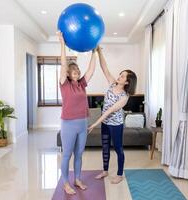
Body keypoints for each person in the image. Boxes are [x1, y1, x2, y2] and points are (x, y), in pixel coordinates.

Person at [88, 46, 137, 184]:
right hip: (105, 124)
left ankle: (120, 174)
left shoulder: (124, 97)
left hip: (116, 126)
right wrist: (99, 51)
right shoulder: (112, 84)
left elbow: (109, 111)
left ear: (127, 82)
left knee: (118, 148)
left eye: (122, 76)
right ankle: (105, 171)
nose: (119, 76)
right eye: (120, 74)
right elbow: (105, 68)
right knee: (105, 147)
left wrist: (95, 124)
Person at [57, 31, 96, 194]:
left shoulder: (81, 84)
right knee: (67, 155)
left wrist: (94, 51)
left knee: (79, 154)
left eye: (78, 72)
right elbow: (64, 64)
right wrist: (62, 43)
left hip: (82, 123)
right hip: (69, 124)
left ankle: (77, 179)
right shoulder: (64, 84)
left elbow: (91, 71)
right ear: (68, 73)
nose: (78, 74)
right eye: (74, 72)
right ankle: (66, 183)